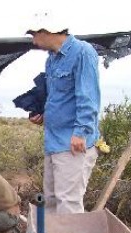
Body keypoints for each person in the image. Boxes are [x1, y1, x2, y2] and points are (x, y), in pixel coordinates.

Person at [26, 15, 100, 214]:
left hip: (73, 142)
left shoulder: (82, 52)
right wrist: (42, 115)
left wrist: (81, 132)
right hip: (54, 141)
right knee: (51, 200)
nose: (33, 40)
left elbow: (88, 96)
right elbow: (57, 98)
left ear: (46, 30)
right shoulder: (51, 60)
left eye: (34, 34)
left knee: (69, 203)